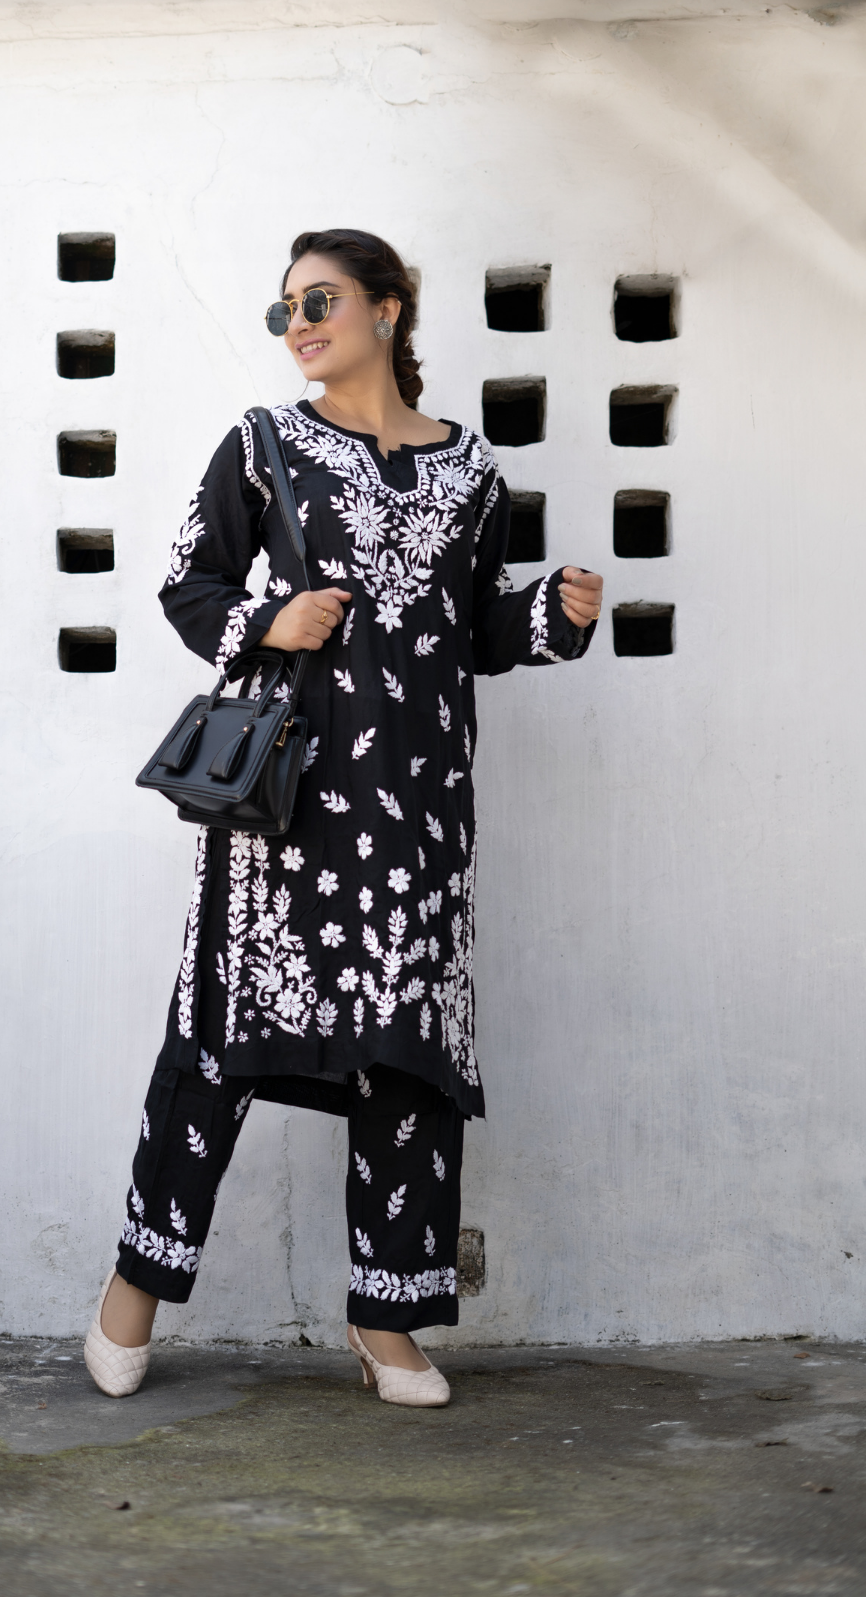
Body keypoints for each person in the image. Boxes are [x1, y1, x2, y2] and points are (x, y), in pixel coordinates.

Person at [85, 229, 603, 1407]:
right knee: (221, 1036)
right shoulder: (263, 446)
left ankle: (386, 1320)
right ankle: (131, 1292)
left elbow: (472, 628)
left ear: (388, 308)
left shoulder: (473, 472)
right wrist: (269, 621)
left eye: (318, 301)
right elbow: (186, 582)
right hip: (287, 805)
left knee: (407, 1052)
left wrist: (551, 615)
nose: (299, 325)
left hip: (419, 809)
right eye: (284, 311)